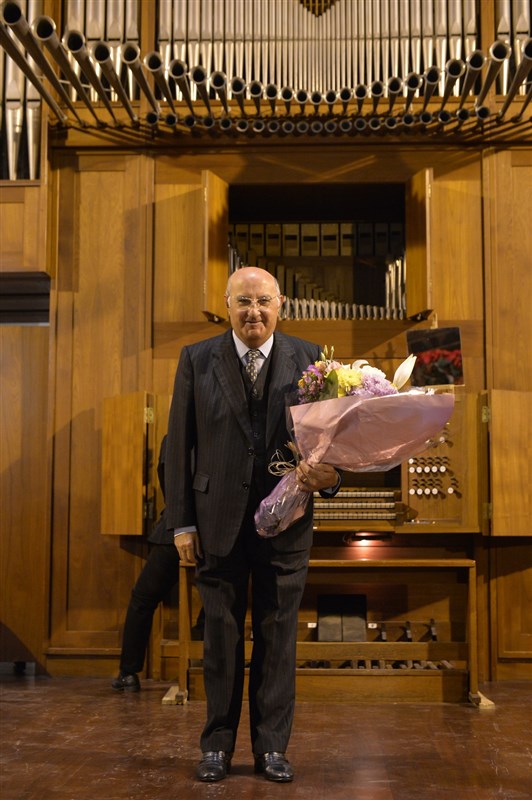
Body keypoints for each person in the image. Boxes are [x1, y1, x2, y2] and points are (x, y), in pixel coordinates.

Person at [165, 267, 340, 783]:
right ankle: (217, 745)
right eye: (244, 302)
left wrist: (329, 477)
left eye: (264, 301)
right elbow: (178, 446)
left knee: (278, 637)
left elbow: (337, 441)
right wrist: (181, 524)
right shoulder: (196, 360)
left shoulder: (311, 359)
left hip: (286, 525)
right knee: (219, 639)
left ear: (281, 304)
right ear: (227, 305)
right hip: (215, 522)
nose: (254, 312)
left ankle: (271, 749)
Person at [111, 436, 204, 692]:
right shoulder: (220, 433)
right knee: (219, 594)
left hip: (175, 531)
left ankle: (128, 672)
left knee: (143, 599)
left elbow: (168, 480)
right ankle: (206, 657)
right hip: (215, 530)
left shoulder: (173, 438)